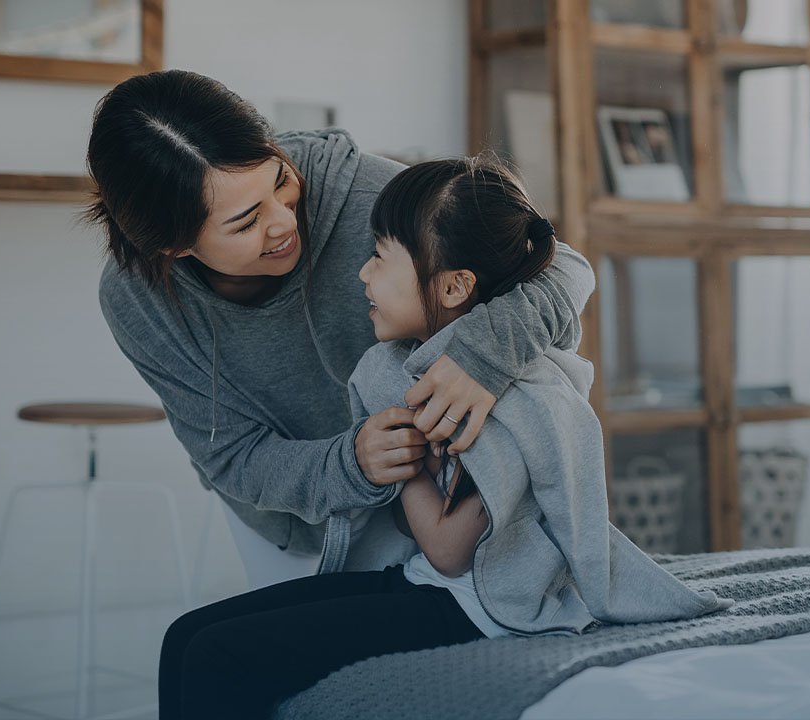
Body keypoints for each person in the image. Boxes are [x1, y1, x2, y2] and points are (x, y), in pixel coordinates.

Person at [157, 157, 728, 719]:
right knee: (185, 636)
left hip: (479, 606)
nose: (362, 274)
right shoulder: (413, 369)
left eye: (379, 257)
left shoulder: (504, 400)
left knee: (215, 655)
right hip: (429, 584)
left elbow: (452, 551)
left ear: (455, 285)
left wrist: (403, 467)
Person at [86, 69, 595, 589]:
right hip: (291, 525)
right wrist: (350, 463)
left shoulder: (369, 192)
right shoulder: (136, 301)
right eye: (245, 222)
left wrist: (482, 357)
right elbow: (232, 456)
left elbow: (563, 267)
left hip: (434, 501)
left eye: (280, 180)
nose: (283, 221)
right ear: (173, 245)